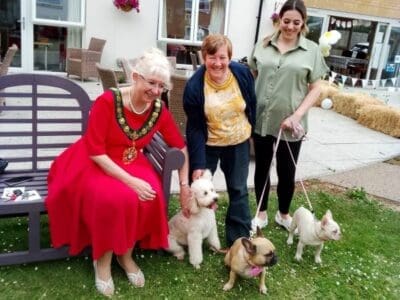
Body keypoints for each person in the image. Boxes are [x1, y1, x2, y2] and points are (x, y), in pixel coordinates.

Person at [45, 48, 191, 297]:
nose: (156, 91)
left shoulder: (158, 110)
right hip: (95, 162)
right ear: (135, 77)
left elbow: (181, 146)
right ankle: (102, 261)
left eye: (161, 86)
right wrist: (132, 182)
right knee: (114, 199)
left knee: (151, 194)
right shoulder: (107, 102)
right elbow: (95, 152)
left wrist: (185, 185)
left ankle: (125, 255)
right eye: (151, 83)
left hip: (132, 162)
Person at [248, 0, 329, 231]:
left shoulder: (311, 50)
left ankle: (283, 214)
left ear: (303, 23)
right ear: (279, 20)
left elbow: (316, 89)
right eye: (286, 21)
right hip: (262, 120)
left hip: (291, 124)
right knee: (262, 167)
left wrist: (297, 116)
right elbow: (252, 76)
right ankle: (261, 213)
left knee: (287, 171)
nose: (290, 27)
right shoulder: (263, 45)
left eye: (296, 22)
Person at [183, 34, 256, 248]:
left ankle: (239, 241)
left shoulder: (242, 74)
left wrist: (254, 130)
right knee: (200, 190)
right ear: (204, 57)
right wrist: (197, 164)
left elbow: (251, 102)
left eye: (222, 57)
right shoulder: (194, 87)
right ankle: (195, 232)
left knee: (238, 189)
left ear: (230, 57)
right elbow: (195, 128)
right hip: (209, 146)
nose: (218, 63)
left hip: (238, 142)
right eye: (212, 57)